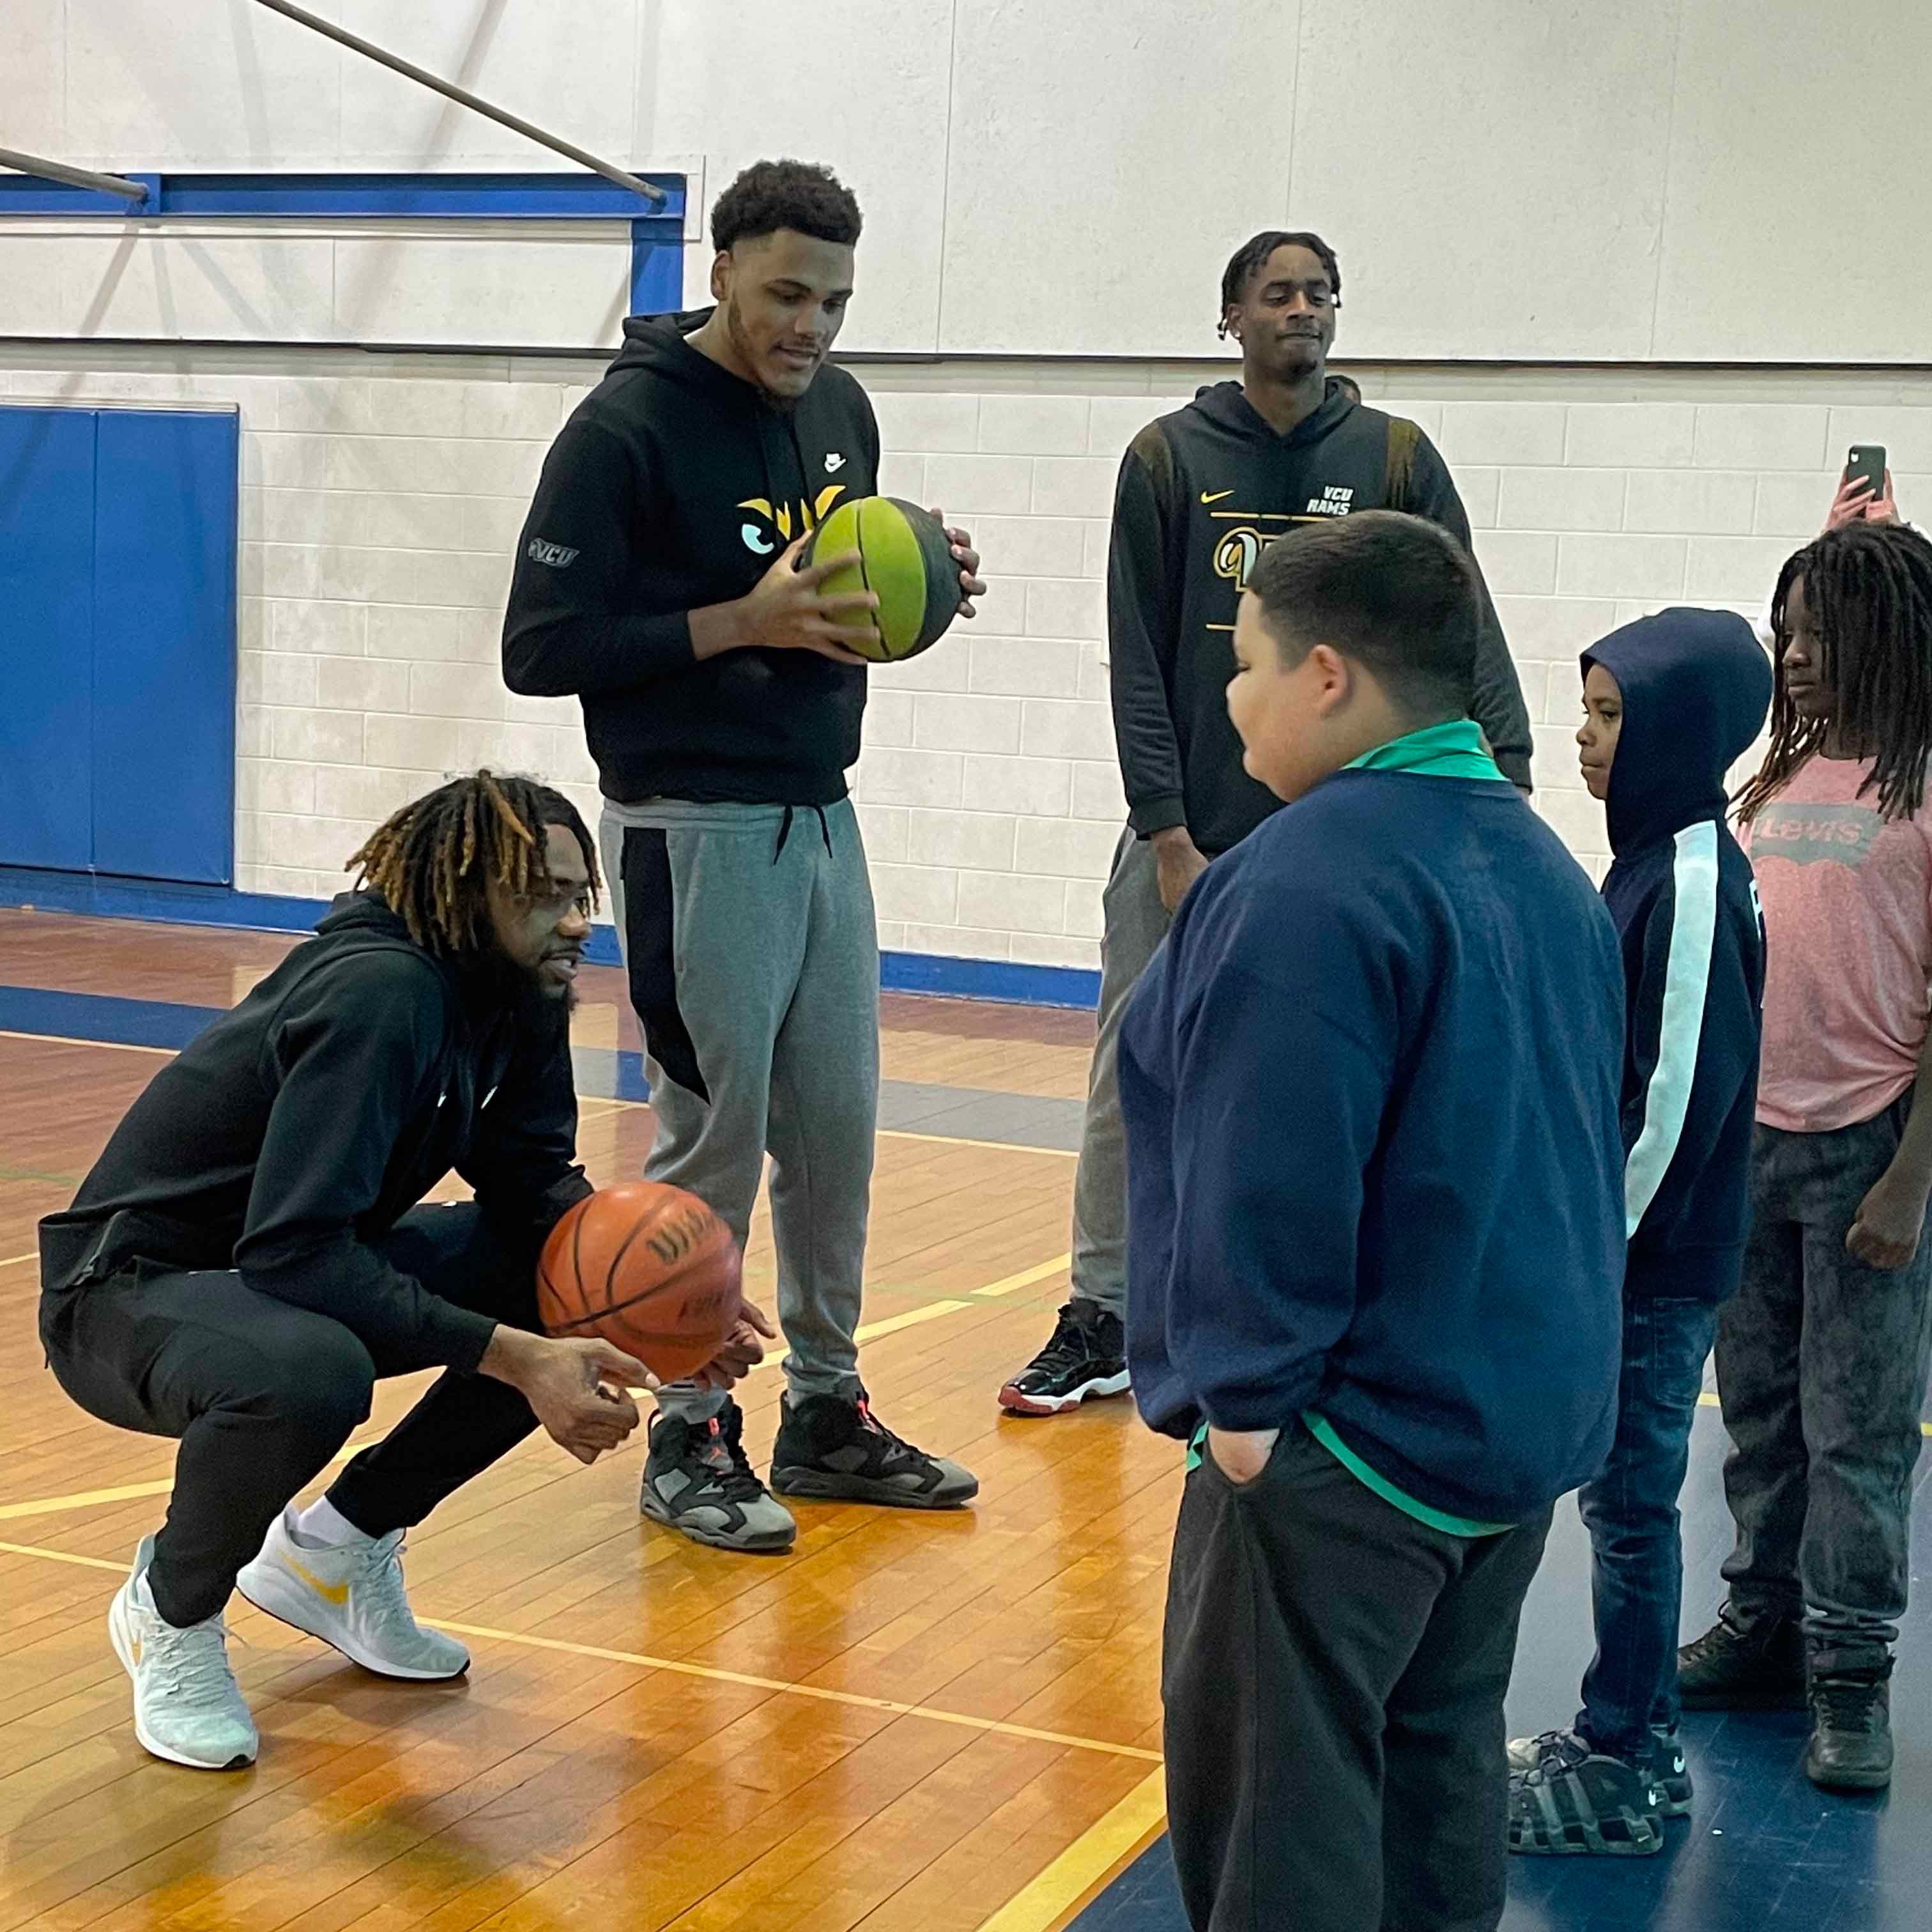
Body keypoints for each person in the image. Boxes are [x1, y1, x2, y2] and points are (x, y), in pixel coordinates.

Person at [36, 774, 770, 1771]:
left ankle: (338, 1550)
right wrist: (515, 1357)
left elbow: (531, 1178)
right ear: (468, 894)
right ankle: (169, 1610)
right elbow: (293, 1249)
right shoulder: (380, 994)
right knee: (308, 1371)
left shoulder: (522, 989)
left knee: (554, 1275)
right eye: (543, 896)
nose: (572, 922)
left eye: (579, 895)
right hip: (125, 1293)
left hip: (270, 1264)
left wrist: (682, 1313)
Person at [1125, 512, 1624, 1931]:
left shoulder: (1298, 879)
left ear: (1328, 676)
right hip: (1509, 1444)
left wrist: (1248, 1409)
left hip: (1347, 1456)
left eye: (1246, 666)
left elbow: (1265, 1169)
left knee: (1285, 1820)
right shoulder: (1541, 867)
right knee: (1437, 1774)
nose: (1229, 702)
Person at [503, 160, 985, 1554]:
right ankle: (689, 1436)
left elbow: (837, 585)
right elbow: (540, 650)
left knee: (833, 1137)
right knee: (710, 1142)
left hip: (822, 817)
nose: (811, 326)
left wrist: (920, 578)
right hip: (687, 830)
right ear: (718, 273)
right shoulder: (623, 431)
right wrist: (741, 623)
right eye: (785, 294)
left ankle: (825, 1410)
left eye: (833, 299)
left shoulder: (842, 409)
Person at [997, 229, 1535, 1418]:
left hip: (1359, 842)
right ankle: (1102, 1313)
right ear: (1229, 316)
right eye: (1279, 292)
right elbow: (1136, 658)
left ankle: (1335, 1311)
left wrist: (1511, 771)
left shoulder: (1396, 455)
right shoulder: (1167, 459)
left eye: (1322, 291)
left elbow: (1465, 621)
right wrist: (1167, 831)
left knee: (1344, 1082)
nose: (1305, 307)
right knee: (1130, 1070)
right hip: (1194, 835)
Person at [1506, 610, 1771, 1857]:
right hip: (1630, 1263)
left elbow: (1670, 1105)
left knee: (1630, 1510)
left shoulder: (1700, 876)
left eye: (1611, 715)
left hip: (1649, 1275)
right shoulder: (1653, 860)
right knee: (1621, 1505)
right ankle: (1619, 1728)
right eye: (1589, 709)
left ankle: (1634, 1763)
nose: (1585, 735)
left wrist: (1588, 1258)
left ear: (1680, 727)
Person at [1679, 521, 1932, 1793]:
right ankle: (1762, 1627)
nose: (1795, 656)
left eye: (1821, 633)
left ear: (1890, 640)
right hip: (1750, 1150)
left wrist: (1909, 1179)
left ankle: (1851, 1675)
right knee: (1764, 1418)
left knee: (1861, 1432)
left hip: (1868, 1154)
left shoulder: (1924, 789)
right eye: (1786, 631)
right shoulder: (1769, 787)